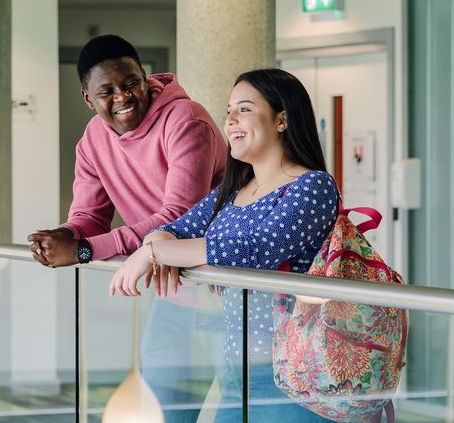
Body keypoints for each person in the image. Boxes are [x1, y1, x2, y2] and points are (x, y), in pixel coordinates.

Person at [110, 68, 339, 422]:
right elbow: (173, 228)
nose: (230, 120)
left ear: (282, 119)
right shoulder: (234, 191)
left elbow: (257, 249)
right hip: (234, 375)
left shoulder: (313, 186)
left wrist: (154, 253)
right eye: (228, 111)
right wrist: (156, 244)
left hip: (293, 379)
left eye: (244, 109)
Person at [27, 34, 226, 422]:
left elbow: (180, 217)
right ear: (88, 98)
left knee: (243, 408)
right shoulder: (92, 141)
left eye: (131, 82)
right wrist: (65, 237)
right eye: (107, 90)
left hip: (228, 287)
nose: (123, 96)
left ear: (144, 76)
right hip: (174, 292)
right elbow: (89, 217)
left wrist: (85, 251)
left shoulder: (185, 119)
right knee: (164, 412)